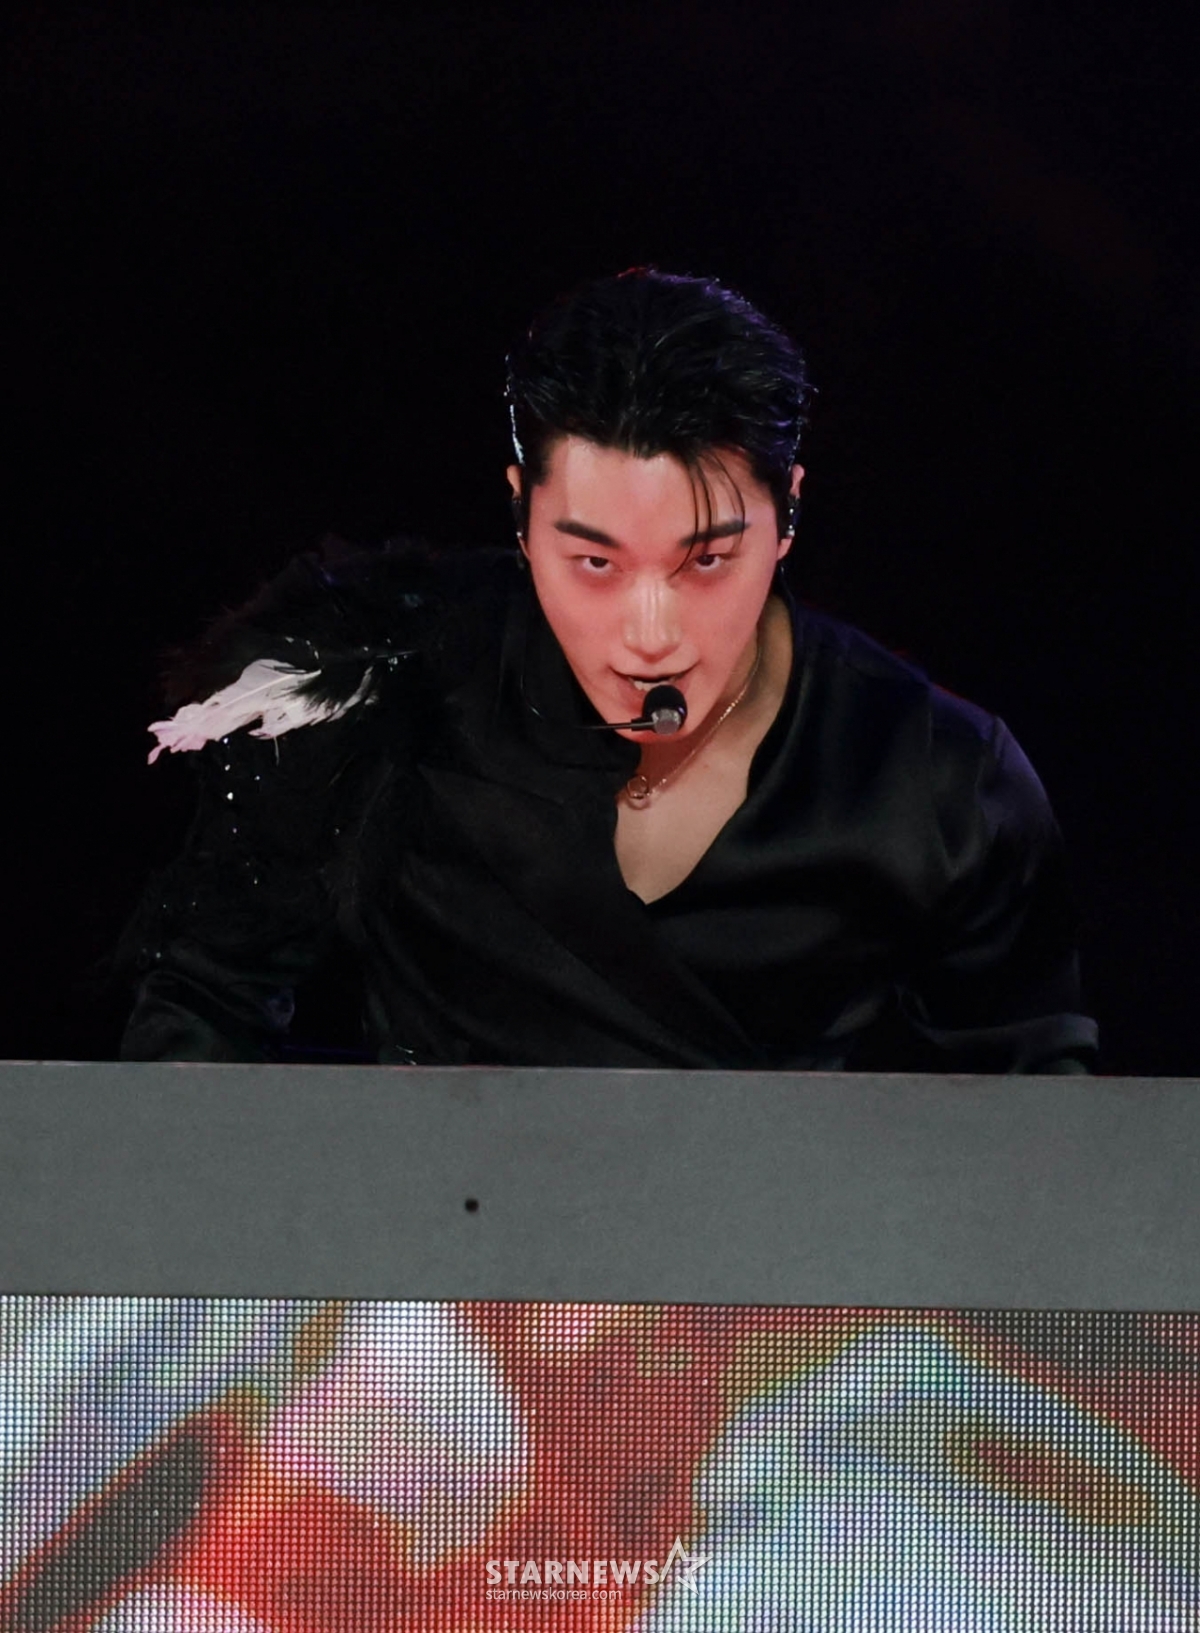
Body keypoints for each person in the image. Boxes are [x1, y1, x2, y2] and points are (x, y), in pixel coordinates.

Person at [120, 268, 1097, 1071]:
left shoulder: (941, 779)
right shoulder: (375, 687)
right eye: (595, 562)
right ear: (521, 513)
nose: (649, 635)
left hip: (788, 1250)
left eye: (706, 559)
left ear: (789, 514)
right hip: (444, 1246)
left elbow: (1033, 1140)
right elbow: (201, 1014)